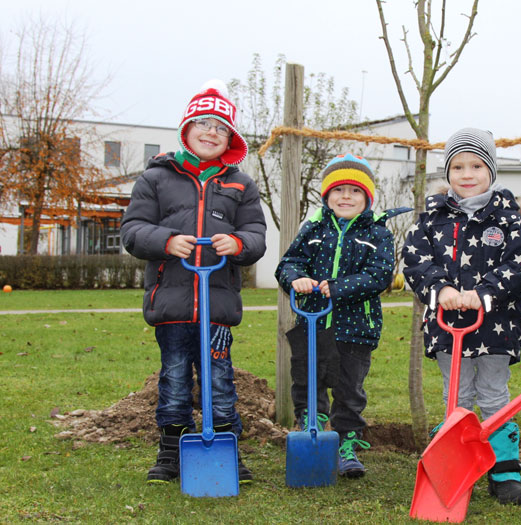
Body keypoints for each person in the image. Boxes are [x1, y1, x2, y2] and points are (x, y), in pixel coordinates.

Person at [120, 79, 266, 485]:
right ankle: (170, 450)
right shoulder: (156, 178)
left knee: (220, 380)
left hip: (217, 307)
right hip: (172, 305)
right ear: (186, 130)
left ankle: (227, 448)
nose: (211, 132)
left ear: (230, 139)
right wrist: (167, 241)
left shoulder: (240, 184)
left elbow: (256, 235)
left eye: (221, 127)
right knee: (174, 378)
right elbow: (132, 231)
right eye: (203, 123)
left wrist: (235, 242)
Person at [402, 128, 521, 505]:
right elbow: (414, 258)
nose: (467, 173)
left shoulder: (509, 219)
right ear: (447, 173)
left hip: (497, 326)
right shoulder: (432, 217)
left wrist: (484, 293)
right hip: (447, 328)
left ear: (491, 170)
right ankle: (454, 465)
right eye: (458, 166)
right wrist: (441, 289)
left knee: (494, 395)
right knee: (455, 396)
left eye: (477, 165)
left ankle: (504, 470)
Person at [275, 153, 409, 478]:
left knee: (349, 391)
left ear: (367, 198)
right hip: (312, 323)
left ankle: (347, 444)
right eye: (338, 190)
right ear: (327, 196)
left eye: (355, 191)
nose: (345, 197)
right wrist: (296, 278)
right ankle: (314, 434)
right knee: (308, 382)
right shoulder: (315, 227)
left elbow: (378, 275)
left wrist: (336, 287)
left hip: (356, 328)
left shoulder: (376, 232)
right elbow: (288, 263)